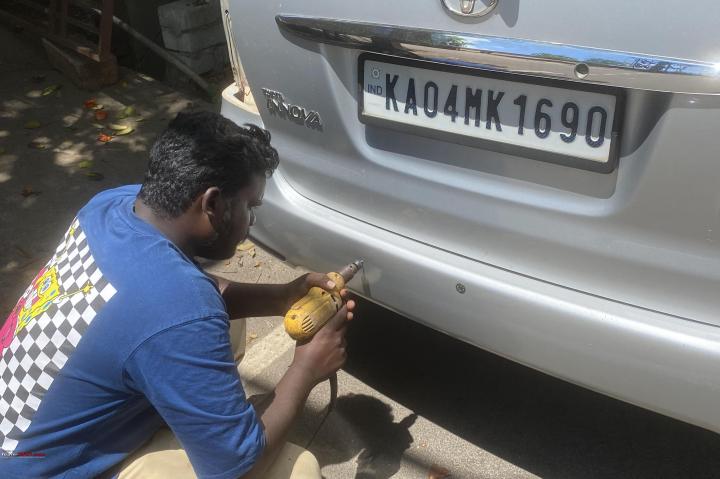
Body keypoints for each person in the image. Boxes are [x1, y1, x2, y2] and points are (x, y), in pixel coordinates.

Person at [0, 111, 355, 478]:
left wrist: (282, 297)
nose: (251, 222)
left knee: (215, 323)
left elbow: (178, 302)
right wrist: (307, 367)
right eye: (250, 207)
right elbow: (236, 467)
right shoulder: (176, 306)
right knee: (295, 470)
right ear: (213, 204)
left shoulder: (113, 206)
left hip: (18, 433)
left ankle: (189, 416)